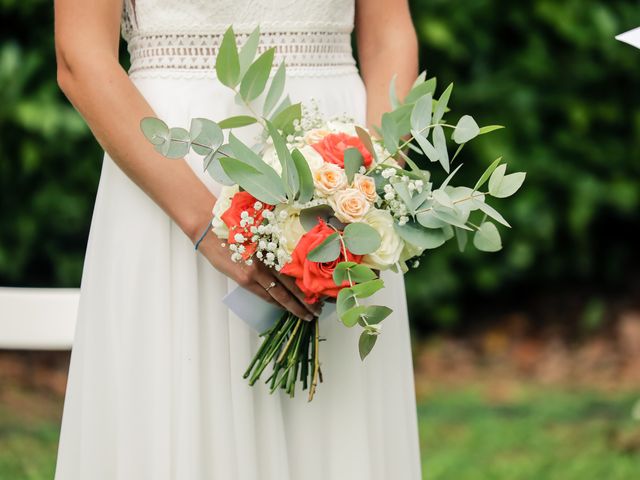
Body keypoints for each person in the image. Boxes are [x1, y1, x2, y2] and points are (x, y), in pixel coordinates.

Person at [54, 0, 422, 478]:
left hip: (342, 168)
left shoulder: (359, 190)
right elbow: (79, 57)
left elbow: (389, 36)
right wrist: (208, 226)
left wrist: (373, 189)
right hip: (175, 165)